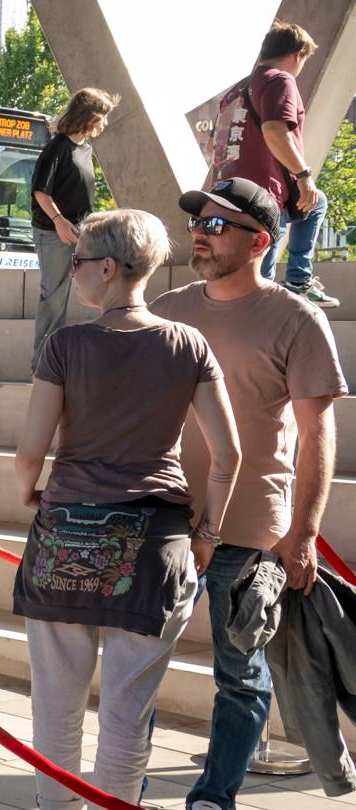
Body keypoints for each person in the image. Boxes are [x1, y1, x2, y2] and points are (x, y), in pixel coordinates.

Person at [14, 208, 241, 810]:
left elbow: (29, 453)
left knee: (55, 706)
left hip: (66, 530)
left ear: (109, 268)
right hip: (156, 540)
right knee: (127, 712)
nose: (75, 273)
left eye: (80, 261)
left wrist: (28, 492)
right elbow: (229, 455)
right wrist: (209, 534)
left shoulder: (65, 344)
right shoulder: (187, 343)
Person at [151, 177, 345, 810]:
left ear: (259, 241)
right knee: (139, 666)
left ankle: (214, 796)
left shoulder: (297, 319)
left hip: (253, 527)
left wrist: (304, 533)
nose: (199, 235)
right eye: (196, 224)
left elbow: (318, 433)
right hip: (167, 516)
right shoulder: (168, 307)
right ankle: (124, 783)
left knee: (239, 674)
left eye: (215, 226)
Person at [209, 22, 335, 307]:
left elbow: (214, 146)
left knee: (314, 205)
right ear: (298, 54)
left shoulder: (236, 90)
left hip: (226, 195)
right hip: (263, 197)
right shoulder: (280, 80)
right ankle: (298, 281)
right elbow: (275, 130)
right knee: (258, 284)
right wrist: (304, 176)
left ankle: (292, 283)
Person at [31, 88, 119, 369]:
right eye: (102, 118)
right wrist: (59, 221)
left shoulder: (85, 149)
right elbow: (40, 192)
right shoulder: (57, 148)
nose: (104, 125)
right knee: (54, 296)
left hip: (80, 231)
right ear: (89, 117)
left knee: (96, 283)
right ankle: (43, 363)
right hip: (53, 232)